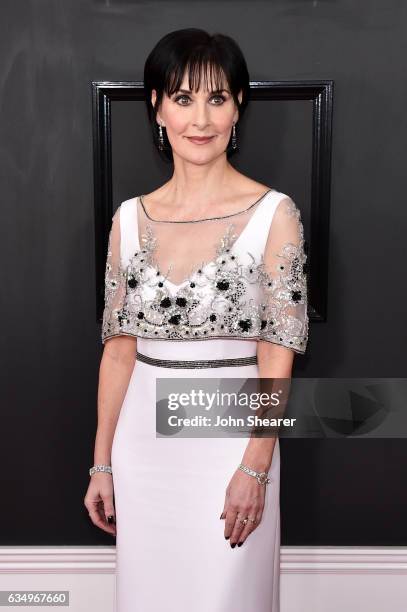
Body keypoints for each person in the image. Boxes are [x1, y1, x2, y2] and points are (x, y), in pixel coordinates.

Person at [84, 28, 309, 612]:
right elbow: (117, 352)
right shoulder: (129, 219)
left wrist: (256, 468)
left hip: (230, 446)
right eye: (183, 98)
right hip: (142, 450)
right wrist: (102, 463)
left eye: (218, 98)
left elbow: (276, 355)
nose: (200, 118)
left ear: (238, 108)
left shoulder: (274, 213)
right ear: (156, 107)